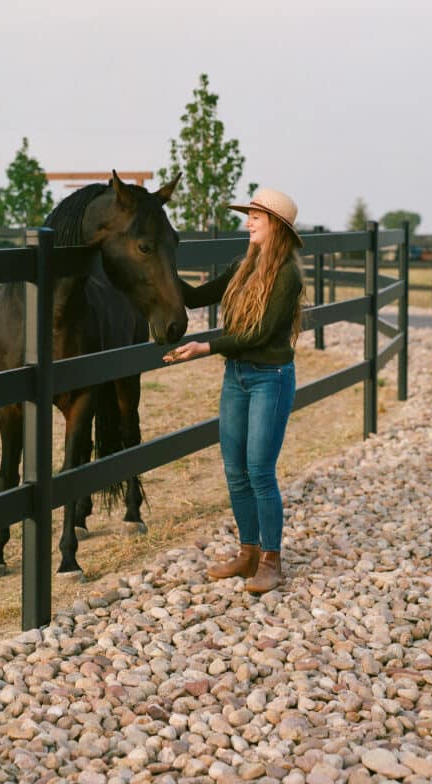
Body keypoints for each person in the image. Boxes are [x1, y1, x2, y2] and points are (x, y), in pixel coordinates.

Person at [163, 188, 304, 594]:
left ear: (275, 224)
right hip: (237, 377)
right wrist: (159, 263)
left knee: (259, 471)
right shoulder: (243, 267)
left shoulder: (287, 275)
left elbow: (258, 334)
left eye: (255, 216)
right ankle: (248, 554)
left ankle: (272, 561)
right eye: (249, 215)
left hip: (269, 378)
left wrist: (204, 347)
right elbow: (197, 296)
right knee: (234, 470)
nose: (248, 221)